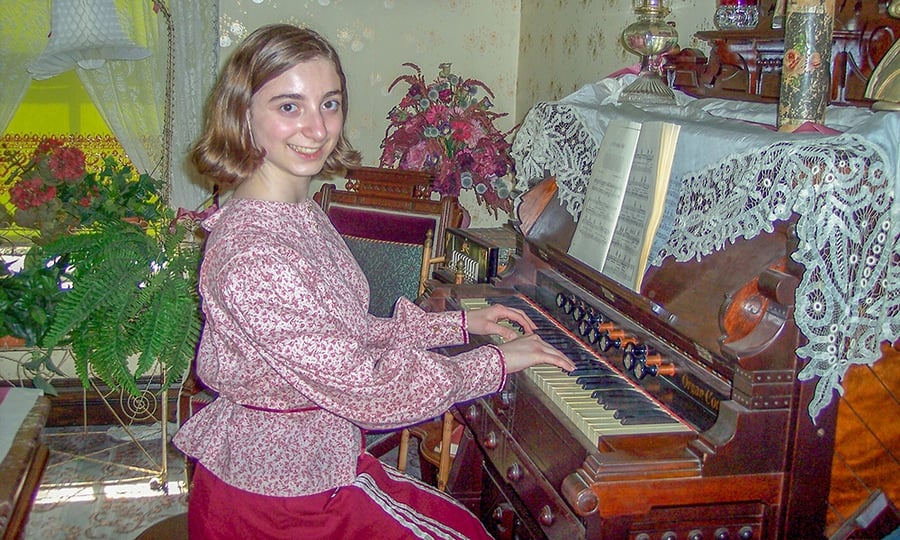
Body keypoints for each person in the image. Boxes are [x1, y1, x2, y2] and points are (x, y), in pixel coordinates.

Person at [173, 23, 574, 539]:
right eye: (289, 106)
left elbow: (343, 332)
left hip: (319, 468)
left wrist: (459, 324)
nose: (318, 129)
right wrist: (490, 365)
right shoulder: (255, 255)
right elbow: (368, 388)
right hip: (278, 506)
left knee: (459, 521)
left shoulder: (296, 212)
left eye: (330, 103)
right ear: (242, 115)